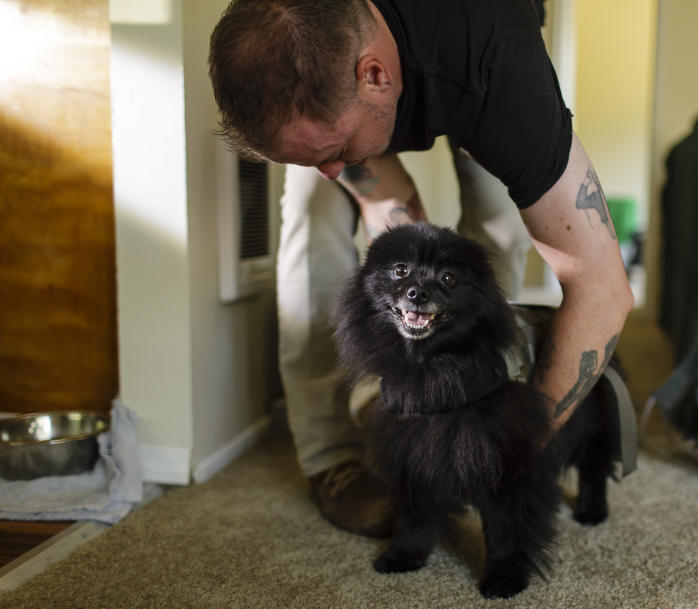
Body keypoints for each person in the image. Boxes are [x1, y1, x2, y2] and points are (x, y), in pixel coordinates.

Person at [208, 0, 634, 537]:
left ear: (375, 75)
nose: (333, 169)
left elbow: (603, 290)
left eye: (336, 150)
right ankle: (331, 455)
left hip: (471, 48)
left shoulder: (499, 70)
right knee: (312, 207)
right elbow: (389, 213)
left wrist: (518, 446)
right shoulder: (296, 31)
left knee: (498, 221)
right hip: (357, 47)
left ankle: (483, 400)